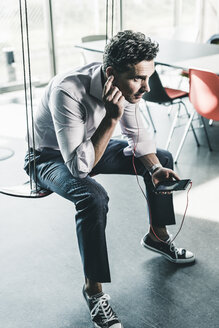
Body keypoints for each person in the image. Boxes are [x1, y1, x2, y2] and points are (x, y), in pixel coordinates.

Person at [24, 30, 195, 328]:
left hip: (90, 145)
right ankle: (94, 291)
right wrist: (111, 118)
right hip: (48, 157)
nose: (146, 87)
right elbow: (79, 168)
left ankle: (158, 237)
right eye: (138, 79)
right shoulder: (67, 90)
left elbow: (137, 136)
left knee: (162, 159)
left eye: (148, 77)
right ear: (111, 73)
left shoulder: (127, 88)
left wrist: (154, 170)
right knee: (92, 196)